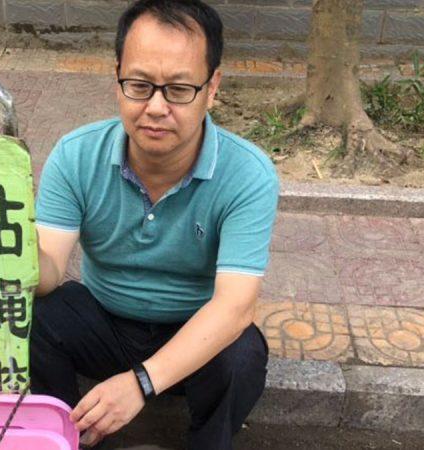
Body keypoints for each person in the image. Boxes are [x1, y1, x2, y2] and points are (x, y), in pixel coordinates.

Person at [30, 1, 278, 448]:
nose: (157, 108)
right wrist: (10, 241)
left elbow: (235, 307)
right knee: (35, 315)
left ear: (212, 87)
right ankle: (63, 437)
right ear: (117, 81)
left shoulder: (248, 175)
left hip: (194, 333)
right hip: (104, 323)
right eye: (140, 85)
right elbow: (47, 275)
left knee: (242, 354)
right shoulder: (75, 156)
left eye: (180, 89)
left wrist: (142, 383)